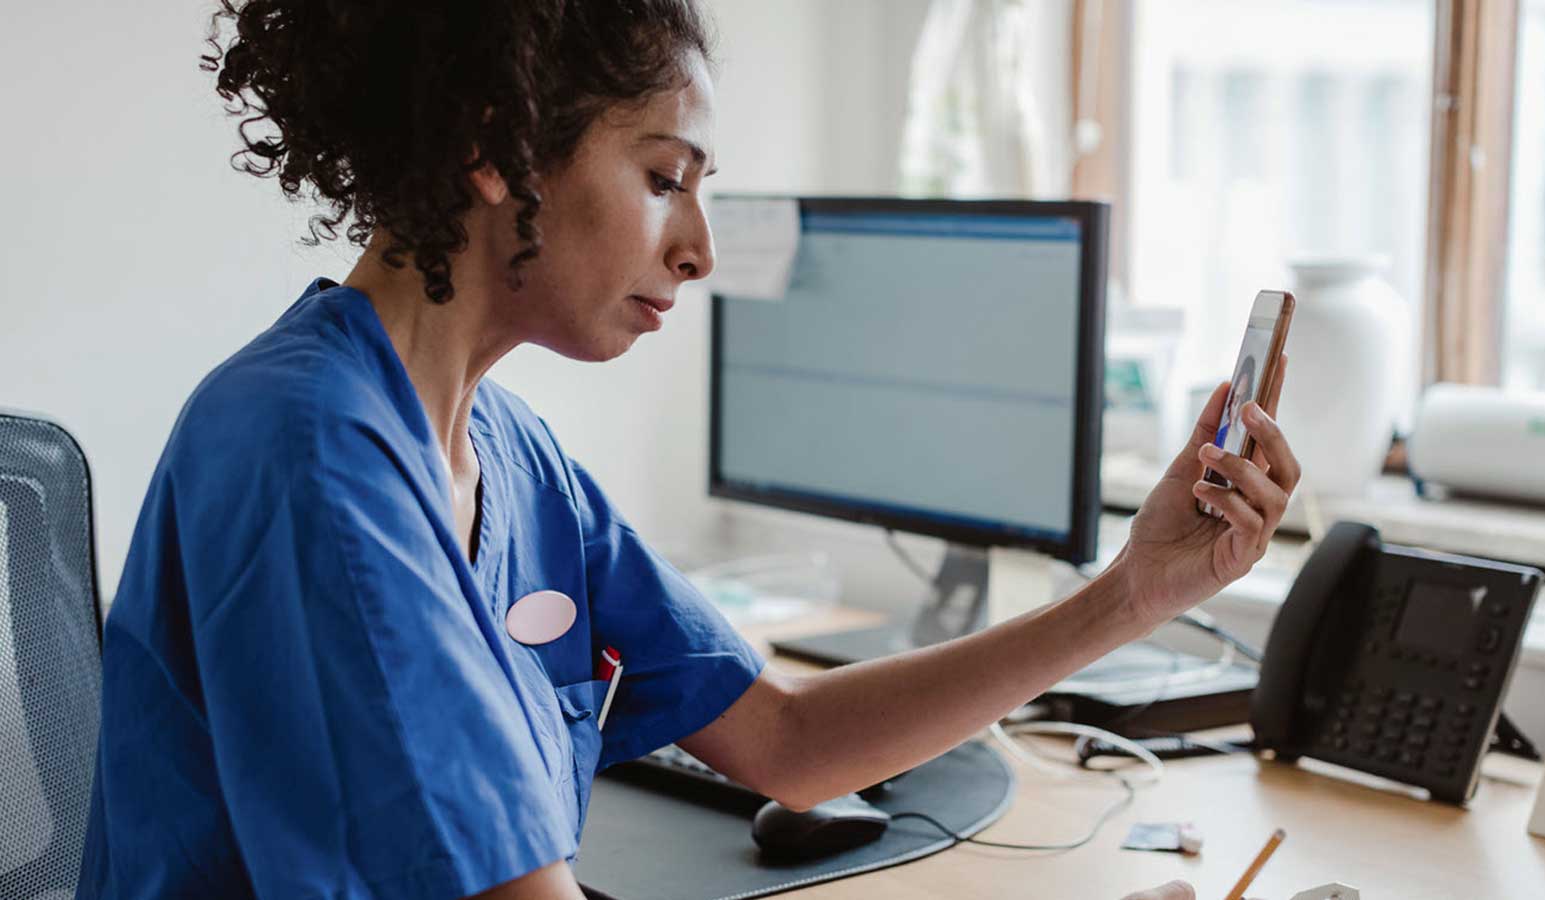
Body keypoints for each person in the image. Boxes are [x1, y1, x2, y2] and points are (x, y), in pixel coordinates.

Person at [76, 3, 1300, 899]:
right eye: (667, 178)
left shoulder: (506, 452)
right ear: (497, 149)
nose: (701, 249)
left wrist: (1133, 594)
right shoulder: (307, 456)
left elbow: (785, 743)